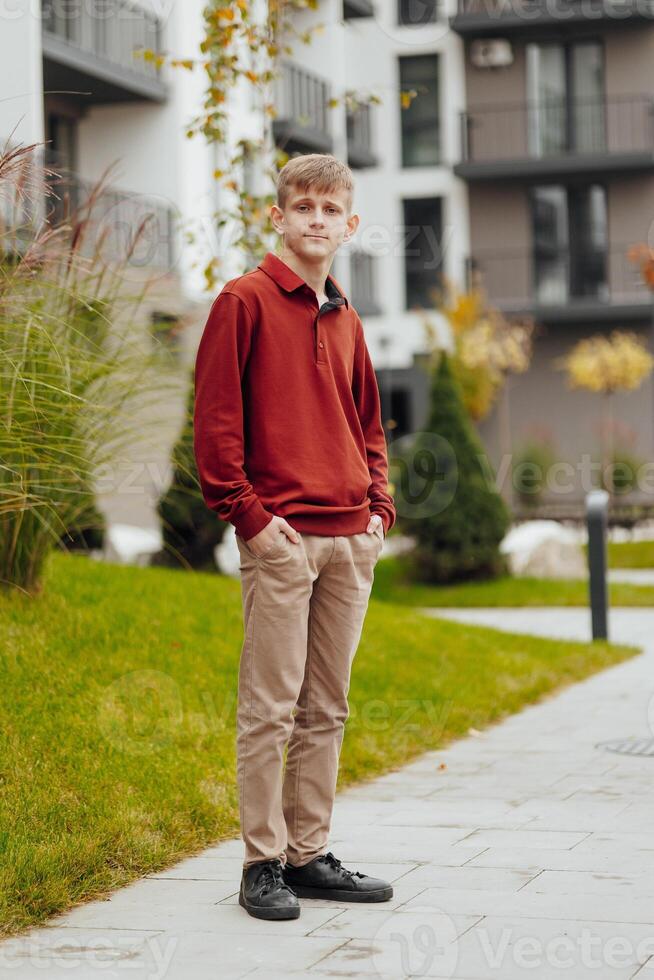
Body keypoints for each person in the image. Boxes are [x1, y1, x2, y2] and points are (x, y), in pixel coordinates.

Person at [193, 153, 396, 921]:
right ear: (277, 217)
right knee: (269, 707)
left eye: (330, 209)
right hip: (280, 536)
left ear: (349, 225)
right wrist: (250, 517)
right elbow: (216, 426)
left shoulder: (345, 315)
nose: (315, 219)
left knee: (326, 708)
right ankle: (261, 863)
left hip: (351, 539)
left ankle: (308, 853)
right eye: (301, 206)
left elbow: (369, 423)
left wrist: (379, 507)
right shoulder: (242, 302)